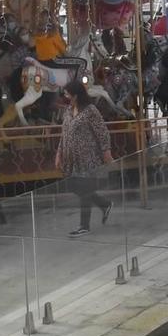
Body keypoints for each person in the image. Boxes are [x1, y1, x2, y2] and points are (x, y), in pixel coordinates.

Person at [56, 82, 114, 235]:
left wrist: (106, 151)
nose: (65, 97)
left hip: (88, 158)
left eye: (67, 94)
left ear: (75, 95)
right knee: (74, 186)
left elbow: (102, 132)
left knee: (85, 189)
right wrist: (59, 153)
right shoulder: (68, 111)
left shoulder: (90, 111)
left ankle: (84, 226)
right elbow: (64, 134)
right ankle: (104, 204)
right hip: (71, 159)